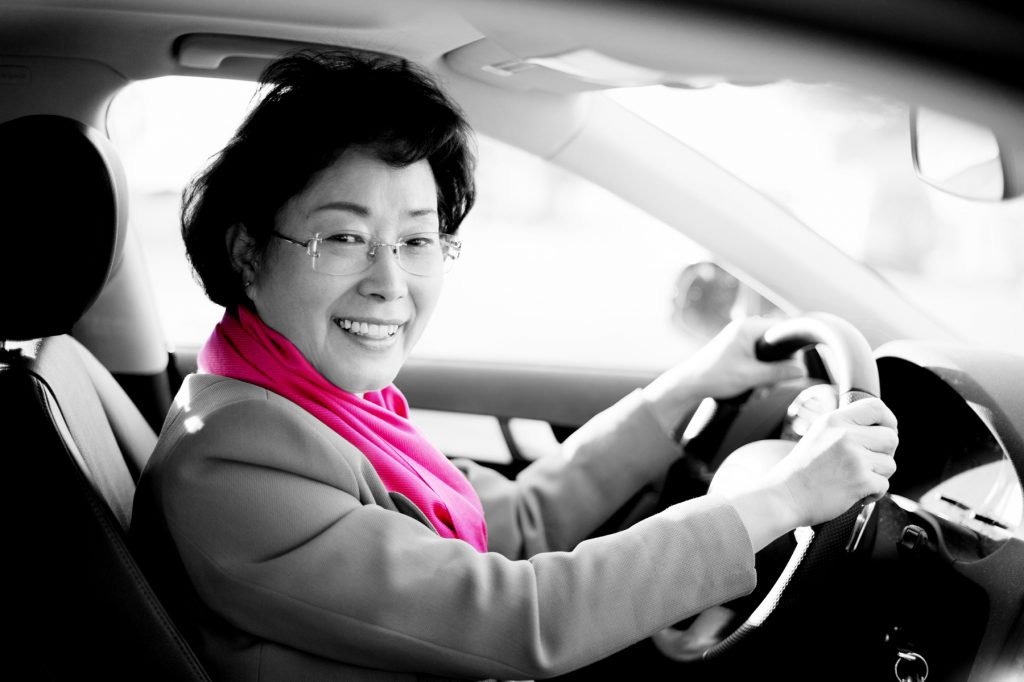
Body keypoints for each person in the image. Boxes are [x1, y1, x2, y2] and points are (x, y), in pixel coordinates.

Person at [130, 49, 898, 682]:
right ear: (246, 253)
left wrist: (688, 388)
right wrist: (779, 499)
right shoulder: (232, 458)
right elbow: (517, 617)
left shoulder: (324, 404)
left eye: (417, 239)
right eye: (343, 238)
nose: (389, 282)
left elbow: (519, 524)